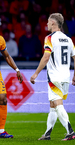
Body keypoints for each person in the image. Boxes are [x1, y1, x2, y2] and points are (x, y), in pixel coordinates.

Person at [30, 13, 75, 141]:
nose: (47, 24)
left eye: (48, 22)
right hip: (66, 76)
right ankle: (47, 133)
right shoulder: (68, 39)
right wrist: (74, 75)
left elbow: (46, 57)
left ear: (54, 23)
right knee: (53, 105)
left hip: (55, 77)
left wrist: (36, 73)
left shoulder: (49, 38)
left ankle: (70, 132)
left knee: (58, 104)